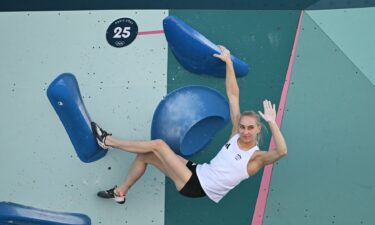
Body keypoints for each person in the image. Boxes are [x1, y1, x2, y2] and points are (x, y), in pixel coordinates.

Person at [91, 45, 287, 204]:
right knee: (144, 157)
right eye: (243, 126)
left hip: (197, 186)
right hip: (198, 171)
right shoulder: (236, 133)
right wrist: (228, 61)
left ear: (258, 129)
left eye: (250, 128)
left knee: (158, 145)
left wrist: (272, 122)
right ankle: (120, 192)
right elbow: (233, 95)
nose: (244, 131)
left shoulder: (255, 158)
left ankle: (107, 141)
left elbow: (281, 152)